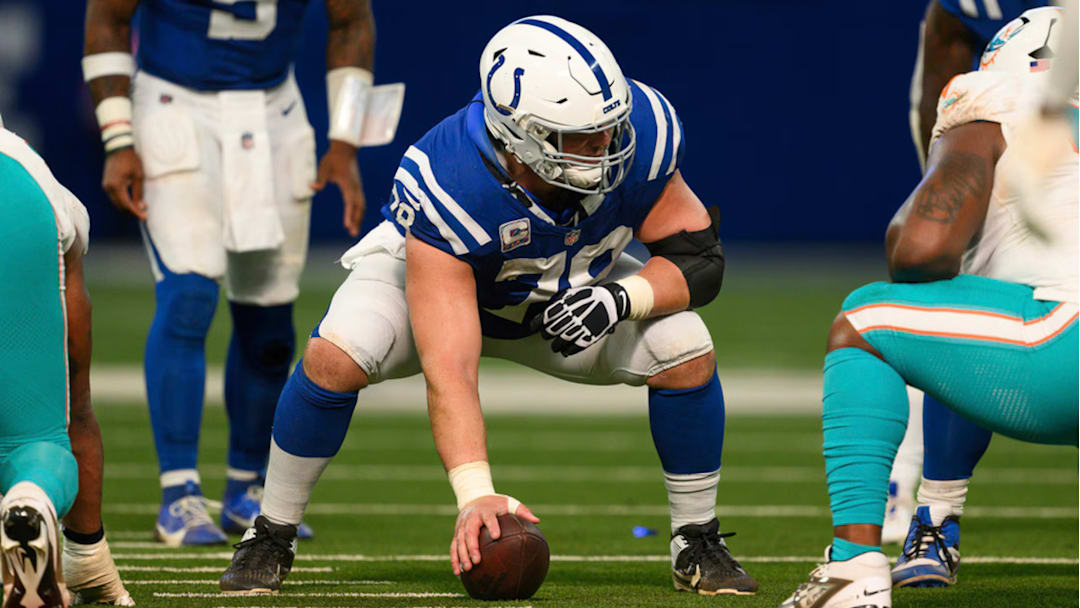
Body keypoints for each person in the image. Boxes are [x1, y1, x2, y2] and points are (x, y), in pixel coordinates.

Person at [217, 15, 757, 597]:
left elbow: (699, 256)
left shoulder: (638, 136)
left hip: (566, 294)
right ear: (519, 136)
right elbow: (450, 369)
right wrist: (476, 494)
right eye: (580, 138)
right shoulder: (450, 179)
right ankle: (271, 532)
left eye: (611, 127)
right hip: (445, 292)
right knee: (337, 354)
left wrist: (622, 297)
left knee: (685, 346)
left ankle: (696, 540)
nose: (606, 147)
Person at [780, 8, 1077, 607]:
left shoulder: (1002, 95)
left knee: (869, 319)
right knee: (973, 308)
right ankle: (935, 520)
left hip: (1062, 352)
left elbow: (922, 247)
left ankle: (853, 570)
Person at [82, 0, 375, 545]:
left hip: (274, 112)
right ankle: (179, 494)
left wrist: (346, 141)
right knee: (189, 296)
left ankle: (246, 487)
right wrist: (118, 139)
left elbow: (351, 20)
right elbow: (108, 19)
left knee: (269, 323)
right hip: (174, 103)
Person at [885, 0, 1050, 549]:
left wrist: (949, 175)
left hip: (1038, 351)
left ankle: (911, 523)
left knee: (887, 317)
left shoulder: (988, 94)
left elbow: (917, 251)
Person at [0, 121, 130, 608]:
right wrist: (91, 558)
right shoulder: (27, 169)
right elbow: (77, 400)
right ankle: (31, 502)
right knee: (37, 439)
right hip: (16, 196)